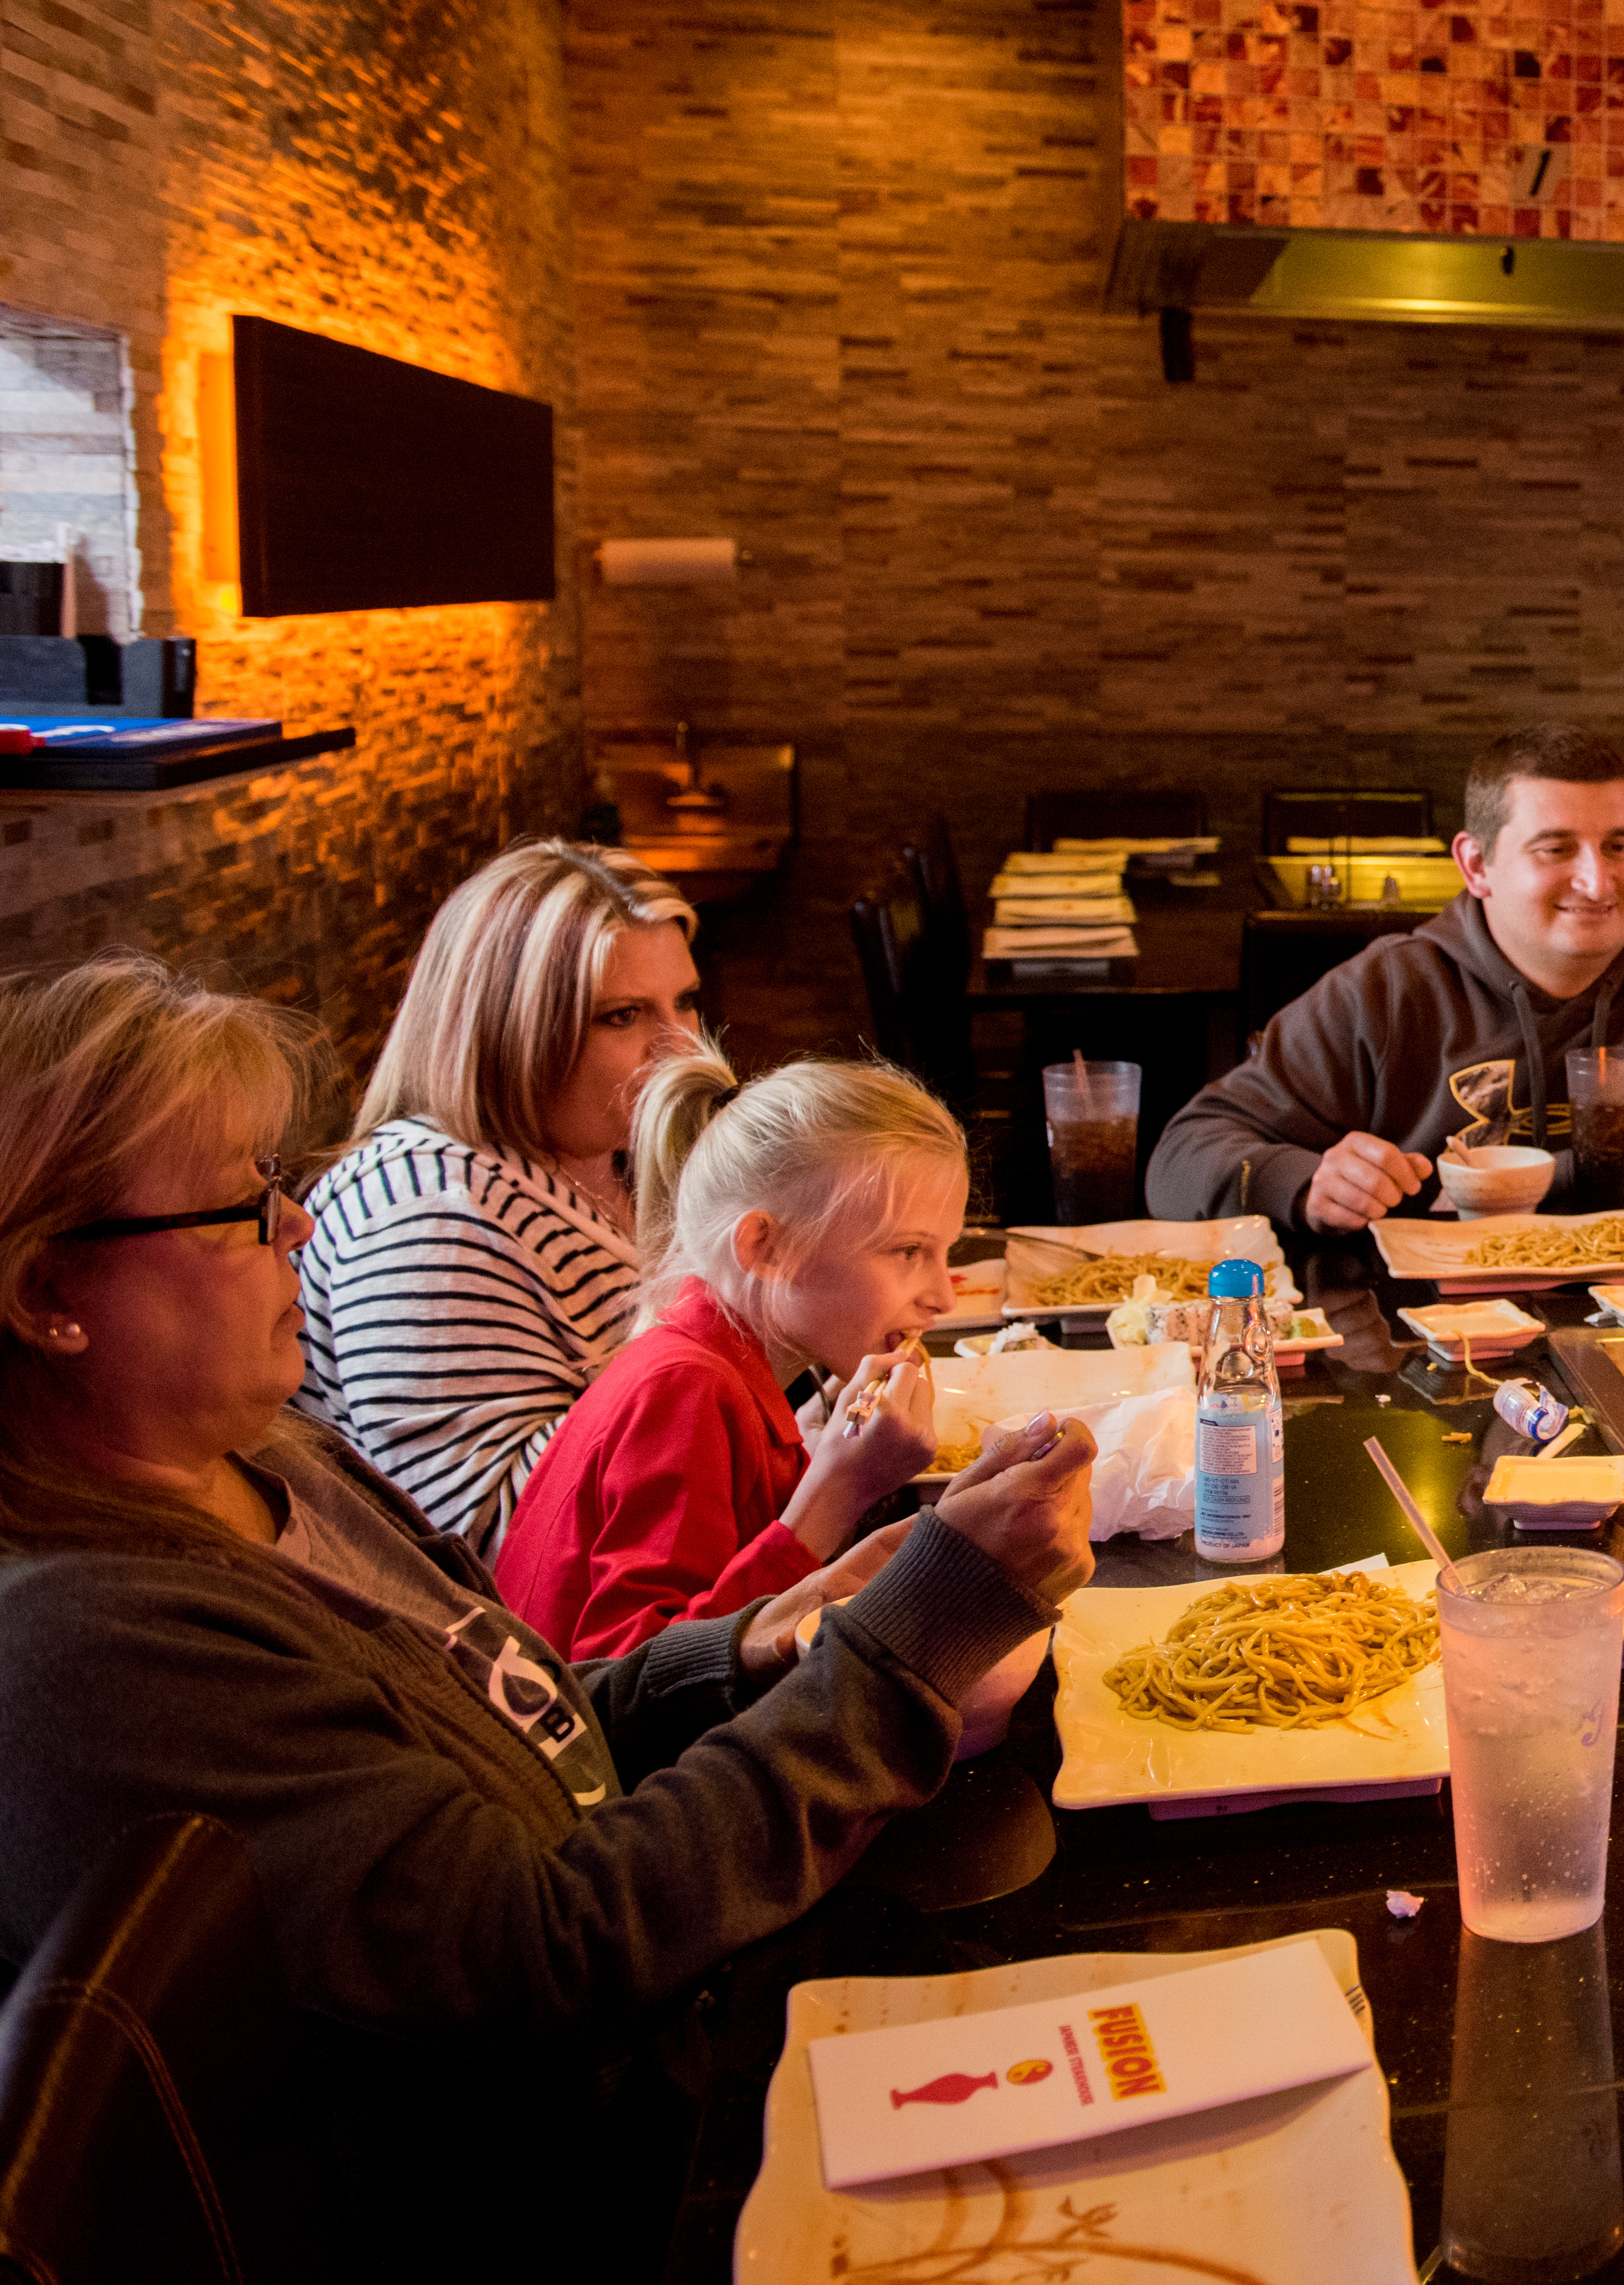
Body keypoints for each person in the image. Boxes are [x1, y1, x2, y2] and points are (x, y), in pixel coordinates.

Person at [0, 954, 1097, 2232]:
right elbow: (544, 1952)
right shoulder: (91, 1643)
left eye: (278, 1180)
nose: (299, 1224)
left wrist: (748, 1642)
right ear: (45, 1292)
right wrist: (920, 1631)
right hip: (592, 2182)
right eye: (241, 1202)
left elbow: (521, 1722)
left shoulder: (271, 1462)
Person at [1149, 723, 1624, 1232]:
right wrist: (1301, 1184)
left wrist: (1546, 1180)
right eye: (1555, 848)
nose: (1597, 881)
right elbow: (1181, 1158)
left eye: (1619, 846)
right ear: (1476, 866)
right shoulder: (1388, 988)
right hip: (1421, 1347)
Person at [294, 839, 705, 1553]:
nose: (684, 1050)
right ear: (511, 1028)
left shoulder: (609, 1158)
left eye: (686, 1003)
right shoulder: (428, 1217)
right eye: (623, 1016)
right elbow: (494, 1543)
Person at [494, 1048, 960, 1659]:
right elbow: (630, 1675)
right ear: (763, 1247)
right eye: (908, 1251)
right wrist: (839, 1492)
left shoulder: (731, 1366)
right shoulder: (686, 1391)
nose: (945, 1297)